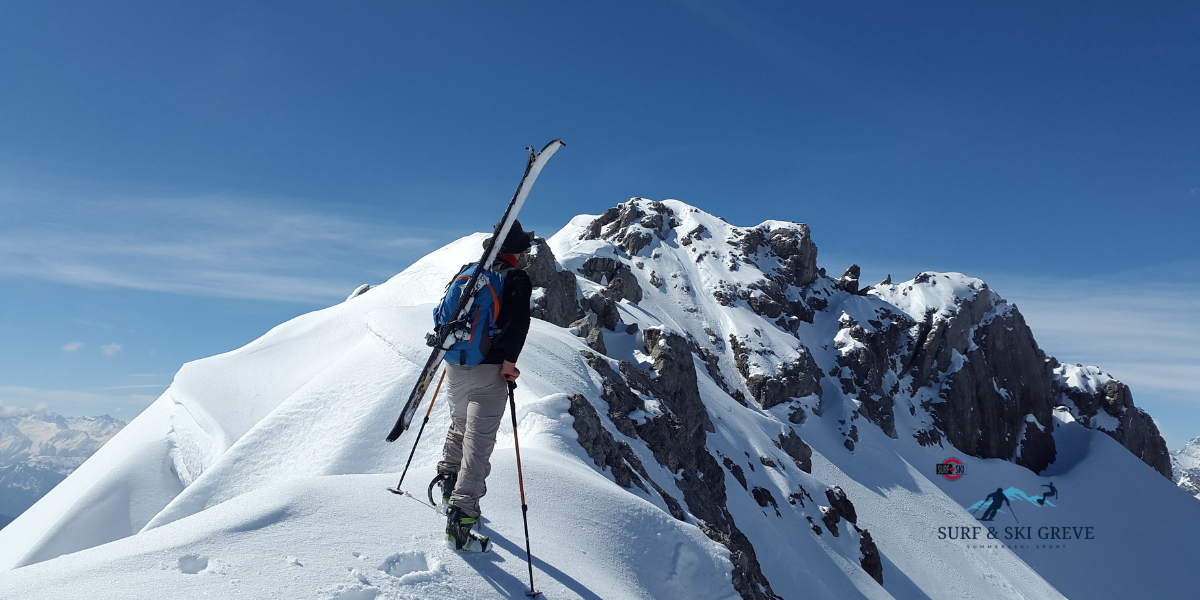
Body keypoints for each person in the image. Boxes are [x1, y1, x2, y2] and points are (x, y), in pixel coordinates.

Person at [433, 221, 534, 553]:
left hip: (455, 364)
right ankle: (461, 521)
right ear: (516, 250)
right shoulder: (515, 277)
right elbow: (519, 321)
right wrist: (509, 362)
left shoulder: (470, 271)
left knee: (459, 427)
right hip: (490, 371)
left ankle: (448, 485)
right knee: (479, 446)